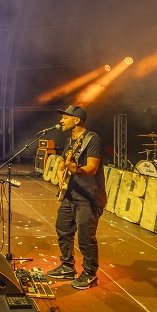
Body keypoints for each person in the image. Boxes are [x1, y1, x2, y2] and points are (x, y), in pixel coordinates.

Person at [47, 105, 106, 290]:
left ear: (77, 120)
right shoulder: (70, 141)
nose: (61, 121)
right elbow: (64, 161)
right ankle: (67, 266)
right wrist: (60, 169)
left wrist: (76, 170)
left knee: (86, 237)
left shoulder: (92, 140)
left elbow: (92, 168)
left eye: (65, 117)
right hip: (71, 193)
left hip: (89, 196)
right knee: (63, 229)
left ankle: (89, 274)